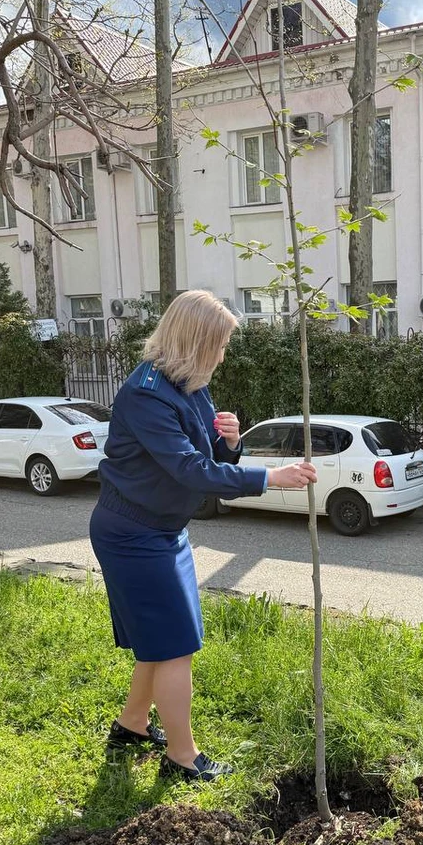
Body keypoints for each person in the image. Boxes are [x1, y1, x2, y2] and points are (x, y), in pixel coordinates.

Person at [91, 290, 317, 782]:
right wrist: (268, 477)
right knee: (176, 645)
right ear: (196, 342)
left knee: (163, 639)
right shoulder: (146, 394)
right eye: (219, 345)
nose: (222, 355)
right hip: (133, 535)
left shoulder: (190, 384)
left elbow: (208, 454)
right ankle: (183, 755)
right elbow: (189, 469)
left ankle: (131, 724)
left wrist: (230, 443)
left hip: (162, 531)